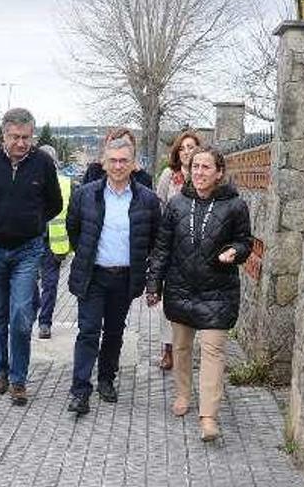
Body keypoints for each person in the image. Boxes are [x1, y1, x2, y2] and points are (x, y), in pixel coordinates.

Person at [146, 146, 252, 442]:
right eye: (195, 167)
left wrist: (236, 251)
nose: (200, 172)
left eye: (206, 167)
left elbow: (245, 241)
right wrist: (154, 284)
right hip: (180, 287)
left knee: (213, 351)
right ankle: (182, 394)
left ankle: (208, 416)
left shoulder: (235, 206)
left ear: (219, 173)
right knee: (180, 348)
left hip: (218, 291)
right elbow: (162, 248)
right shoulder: (177, 204)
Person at [65, 133, 162, 416]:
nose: (118, 166)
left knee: (114, 331)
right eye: (113, 161)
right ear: (104, 163)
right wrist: (84, 254)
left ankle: (107, 379)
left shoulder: (147, 200)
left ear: (134, 165)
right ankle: (80, 390)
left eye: (124, 161)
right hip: (93, 275)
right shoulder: (86, 194)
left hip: (125, 277)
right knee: (88, 330)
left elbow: (154, 239)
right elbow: (74, 229)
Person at [0, 108, 63, 406]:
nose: (21, 143)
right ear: (3, 135)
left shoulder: (42, 163)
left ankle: (18, 379)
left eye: (26, 137)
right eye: (15, 137)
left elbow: (54, 203)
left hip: (28, 251)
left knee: (21, 316)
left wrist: (33, 221)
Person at [154, 130, 201, 370]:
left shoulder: (203, 174)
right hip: (172, 247)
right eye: (182, 148)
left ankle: (186, 347)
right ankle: (168, 348)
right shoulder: (169, 177)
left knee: (192, 300)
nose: (186, 152)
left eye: (190, 147)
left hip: (197, 250)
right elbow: (158, 206)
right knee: (169, 301)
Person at [31, 144, 72, 339]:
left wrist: (69, 247)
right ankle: (33, 312)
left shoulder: (66, 183)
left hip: (54, 244)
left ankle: (45, 323)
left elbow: (72, 218)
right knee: (30, 282)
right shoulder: (29, 179)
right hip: (30, 241)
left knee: (50, 284)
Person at [81, 127, 153, 189]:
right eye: (115, 144)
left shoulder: (143, 178)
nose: (120, 148)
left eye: (125, 144)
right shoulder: (94, 171)